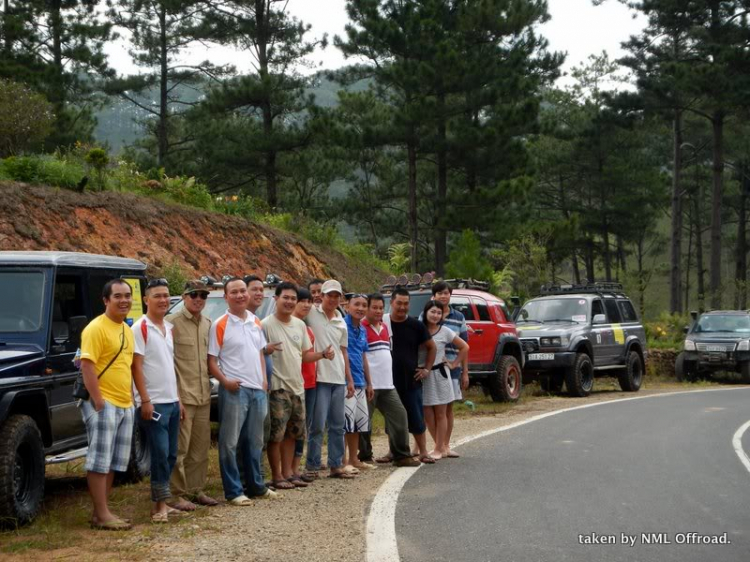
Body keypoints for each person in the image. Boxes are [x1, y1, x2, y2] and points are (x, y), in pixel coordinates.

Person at [208, 278, 277, 505]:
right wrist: (225, 382)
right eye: (234, 292)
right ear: (226, 296)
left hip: (258, 390)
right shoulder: (220, 324)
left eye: (242, 291)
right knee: (230, 442)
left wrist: (264, 380)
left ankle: (256, 486)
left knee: (255, 441)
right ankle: (234, 490)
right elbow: (212, 361)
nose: (239, 295)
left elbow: (259, 352)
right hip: (235, 390)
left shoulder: (255, 321)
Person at [262, 282, 333, 489]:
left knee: (293, 434)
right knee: (276, 435)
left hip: (297, 387)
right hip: (277, 387)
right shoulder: (266, 324)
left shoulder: (300, 325)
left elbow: (305, 355)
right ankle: (277, 476)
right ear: (276, 299)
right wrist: (266, 349)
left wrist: (322, 355)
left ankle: (288, 473)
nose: (290, 301)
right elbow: (258, 352)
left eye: (293, 298)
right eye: (286, 297)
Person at [79, 279, 136, 530]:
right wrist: (98, 400)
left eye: (127, 296)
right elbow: (86, 365)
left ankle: (101, 513)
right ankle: (102, 515)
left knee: (113, 461)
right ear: (106, 300)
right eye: (118, 296)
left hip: (124, 403)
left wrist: (131, 399)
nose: (124, 300)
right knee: (99, 460)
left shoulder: (126, 329)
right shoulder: (95, 328)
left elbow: (128, 365)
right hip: (104, 402)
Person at [132, 278, 183, 523]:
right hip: (154, 403)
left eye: (166, 295)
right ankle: (158, 507)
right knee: (160, 454)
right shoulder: (140, 328)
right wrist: (145, 399)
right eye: (157, 296)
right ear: (146, 299)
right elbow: (136, 367)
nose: (163, 300)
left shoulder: (168, 328)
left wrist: (179, 399)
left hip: (172, 401)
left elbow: (168, 366)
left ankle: (162, 502)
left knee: (171, 453)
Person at [166, 280, 219, 511]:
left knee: (200, 448)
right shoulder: (171, 323)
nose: (199, 299)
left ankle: (195, 490)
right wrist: (175, 395)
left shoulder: (208, 324)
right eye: (194, 294)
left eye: (203, 296)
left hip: (203, 395)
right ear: (184, 297)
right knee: (179, 449)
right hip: (182, 396)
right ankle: (174, 495)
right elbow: (166, 363)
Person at [359, 294, 420, 467]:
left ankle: (401, 455)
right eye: (374, 307)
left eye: (380, 308)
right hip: (368, 384)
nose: (378, 311)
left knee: (400, 415)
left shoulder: (385, 327)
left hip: (387, 384)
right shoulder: (360, 327)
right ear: (367, 308)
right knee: (364, 422)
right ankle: (363, 456)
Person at [305, 279, 356, 479]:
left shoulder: (341, 320)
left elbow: (344, 352)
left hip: (338, 377)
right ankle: (312, 466)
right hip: (319, 377)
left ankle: (336, 465)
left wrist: (349, 379)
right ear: (322, 296)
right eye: (330, 295)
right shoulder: (312, 313)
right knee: (317, 425)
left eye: (337, 296)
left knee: (337, 424)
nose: (333, 299)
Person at [386, 287, 438, 464]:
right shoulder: (383, 323)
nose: (402, 307)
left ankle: (423, 451)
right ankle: (393, 451)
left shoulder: (416, 325)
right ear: (391, 302)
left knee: (416, 417)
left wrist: (427, 369)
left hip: (412, 379)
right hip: (388, 380)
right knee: (392, 418)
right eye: (399, 303)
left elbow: (432, 347)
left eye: (406, 303)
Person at [419, 300, 469, 459]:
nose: (435, 315)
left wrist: (454, 364)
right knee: (427, 413)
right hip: (423, 376)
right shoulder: (419, 329)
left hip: (440, 374)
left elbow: (465, 347)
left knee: (441, 413)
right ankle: (439, 446)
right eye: (432, 312)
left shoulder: (445, 331)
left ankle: (440, 448)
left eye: (439, 313)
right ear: (426, 312)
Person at [343, 294, 375, 471]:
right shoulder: (342, 325)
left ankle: (354, 459)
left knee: (356, 423)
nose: (360, 308)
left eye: (364, 305)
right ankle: (342, 461)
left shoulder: (362, 329)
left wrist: (369, 382)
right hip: (346, 381)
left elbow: (364, 357)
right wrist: (349, 379)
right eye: (357, 304)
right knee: (345, 422)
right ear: (348, 306)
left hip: (360, 381)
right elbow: (343, 354)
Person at [292, 288, 319, 482]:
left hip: (311, 382)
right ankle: (291, 469)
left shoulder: (307, 328)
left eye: (309, 301)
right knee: (294, 428)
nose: (306, 305)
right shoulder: (289, 325)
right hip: (294, 383)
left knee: (304, 427)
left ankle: (296, 468)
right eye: (303, 301)